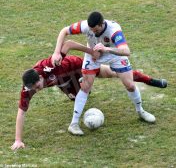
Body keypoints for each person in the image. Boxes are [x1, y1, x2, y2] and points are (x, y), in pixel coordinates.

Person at [11, 40, 167, 150]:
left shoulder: (51, 65)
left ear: (39, 77)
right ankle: (83, 85)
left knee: (116, 73)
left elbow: (69, 43)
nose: (36, 90)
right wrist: (18, 140)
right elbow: (21, 112)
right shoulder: (29, 87)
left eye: (37, 86)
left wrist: (90, 52)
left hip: (78, 66)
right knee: (77, 97)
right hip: (65, 82)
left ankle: (152, 80)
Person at [52, 12, 167, 136]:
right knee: (85, 87)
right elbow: (64, 31)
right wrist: (56, 52)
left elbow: (126, 51)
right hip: (93, 55)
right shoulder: (85, 26)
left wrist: (107, 49)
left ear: (102, 24)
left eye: (96, 30)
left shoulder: (114, 30)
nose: (93, 33)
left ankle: (141, 111)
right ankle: (73, 124)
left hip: (115, 54)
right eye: (91, 30)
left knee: (130, 85)